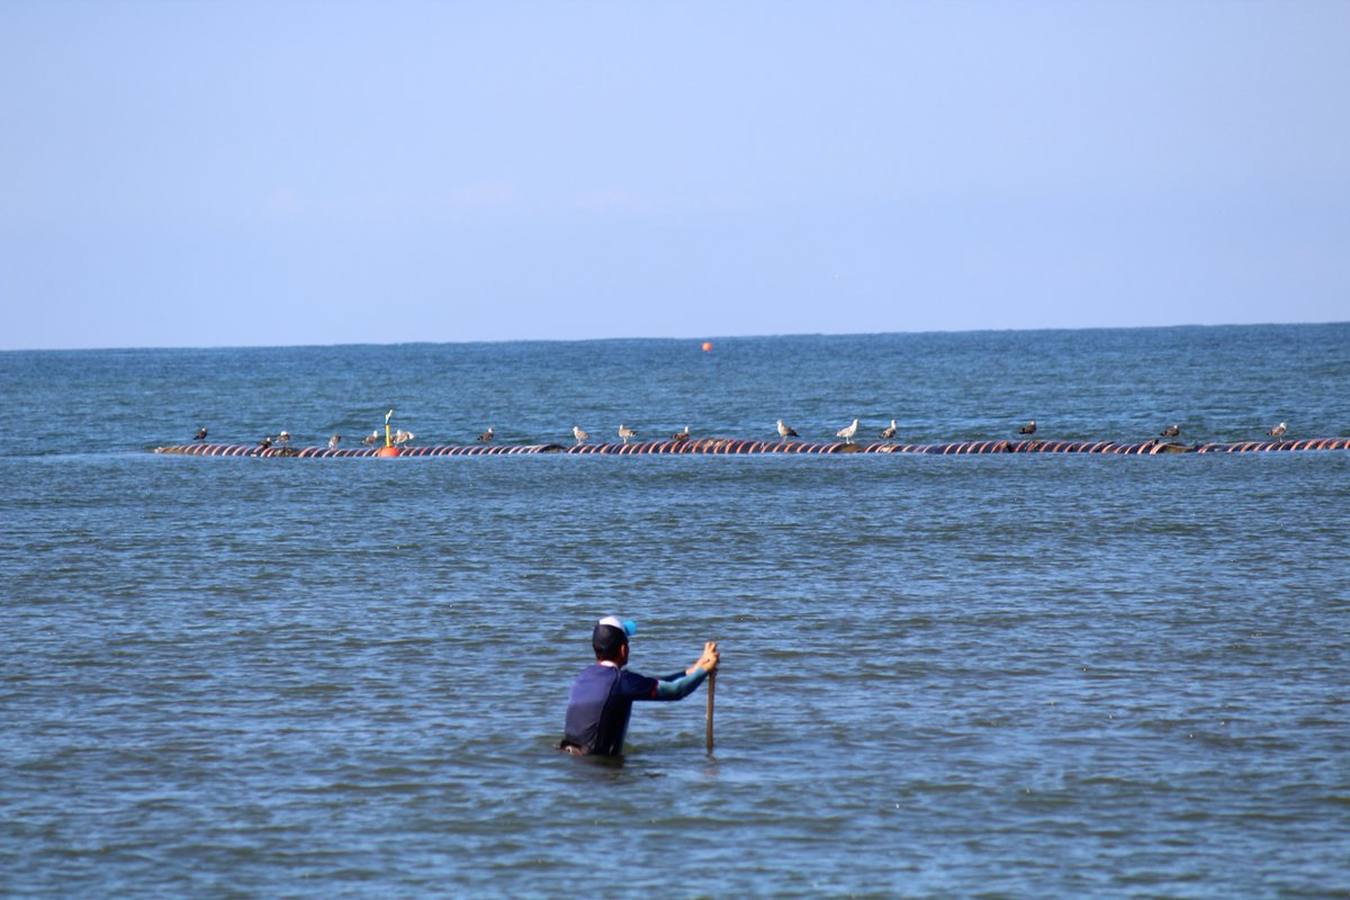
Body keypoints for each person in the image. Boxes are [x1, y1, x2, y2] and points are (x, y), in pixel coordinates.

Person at [560, 616, 719, 757]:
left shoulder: (584, 676)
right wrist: (705, 670)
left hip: (570, 760)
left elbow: (658, 684)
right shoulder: (622, 681)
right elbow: (676, 691)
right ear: (623, 649)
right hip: (597, 767)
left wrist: (696, 667)